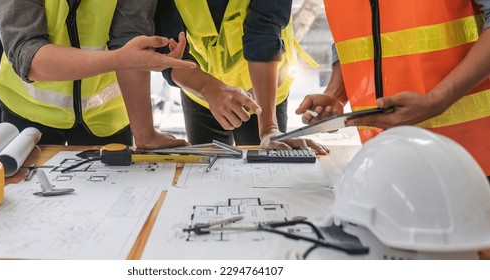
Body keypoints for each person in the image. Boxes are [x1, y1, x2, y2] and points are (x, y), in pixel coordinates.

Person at [297, 0, 490, 178]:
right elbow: (356, 33)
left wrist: (438, 99)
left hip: (473, 156)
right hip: (386, 159)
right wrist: (336, 94)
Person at [0, 0, 195, 148]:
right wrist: (120, 59)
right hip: (29, 112)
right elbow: (29, 56)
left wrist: (145, 134)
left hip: (105, 115)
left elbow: (131, 38)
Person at [154, 0, 329, 154]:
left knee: (264, 171)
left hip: (264, 89)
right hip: (200, 87)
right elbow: (169, 50)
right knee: (207, 174)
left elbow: (264, 36)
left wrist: (269, 128)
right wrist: (206, 88)